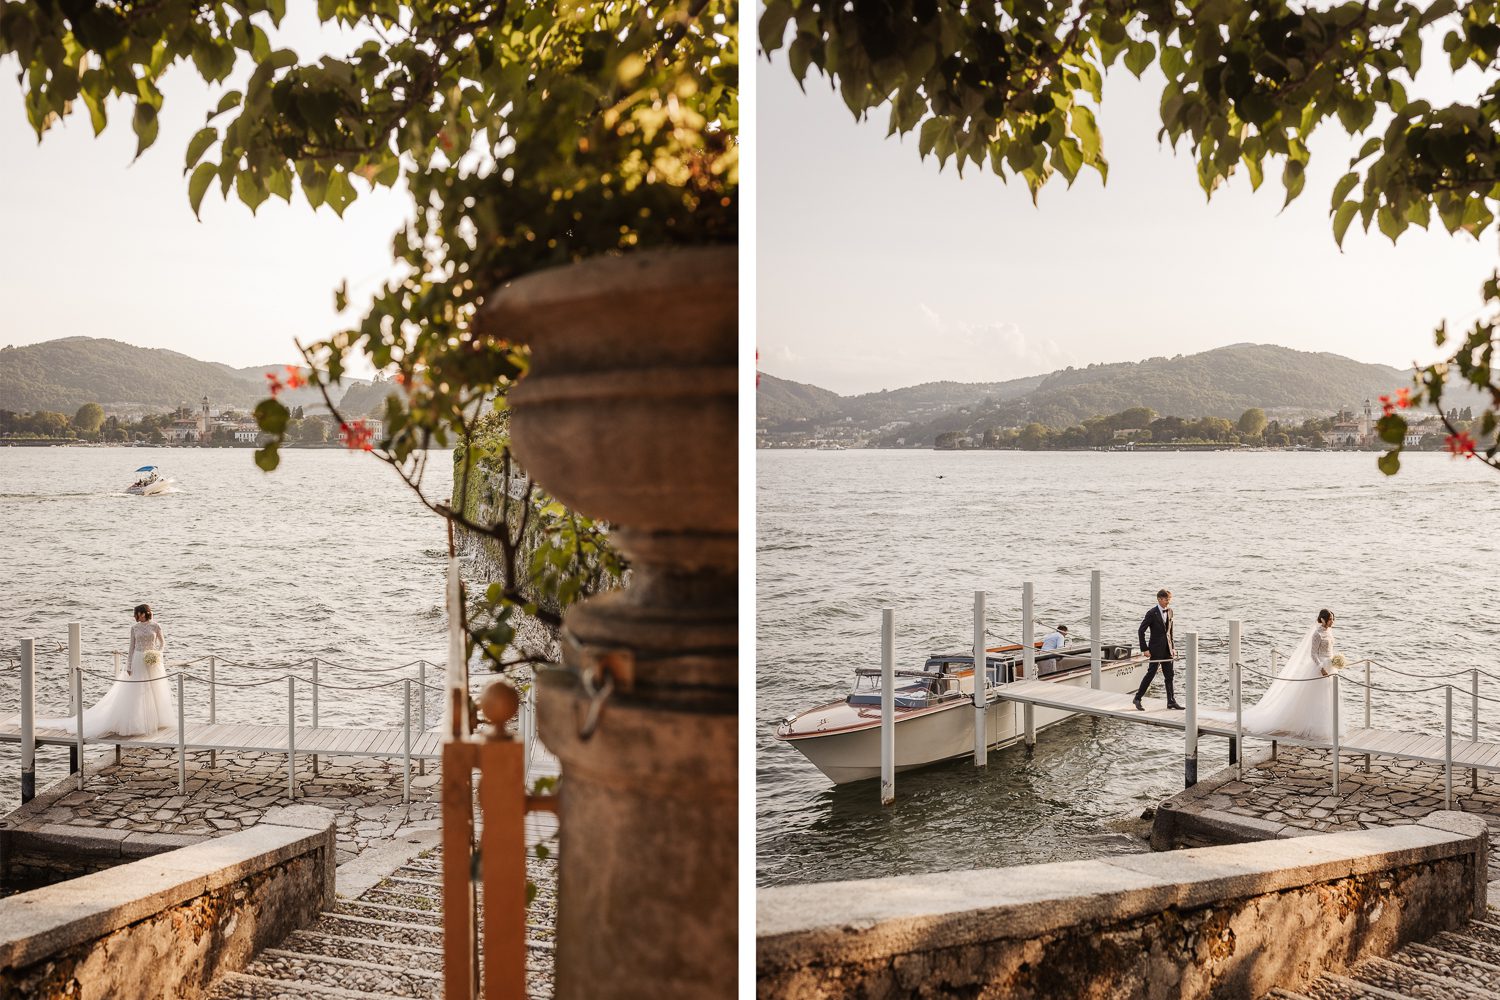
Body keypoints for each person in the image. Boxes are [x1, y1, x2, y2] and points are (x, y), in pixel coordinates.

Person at [37, 604, 175, 737]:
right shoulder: (134, 628)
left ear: (145, 613)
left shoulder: (156, 626)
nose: (137, 616)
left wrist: (157, 653)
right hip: (138, 659)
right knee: (138, 690)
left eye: (139, 613)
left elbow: (162, 643)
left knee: (155, 689)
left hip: (152, 661)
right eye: (136, 614)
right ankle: (138, 722)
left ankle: (157, 720)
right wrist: (128, 665)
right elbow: (131, 648)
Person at [1228, 609, 1339, 740]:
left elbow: (1329, 649)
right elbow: (1313, 654)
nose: (1333, 621)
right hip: (1319, 668)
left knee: (1328, 697)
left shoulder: (1329, 632)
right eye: (1330, 619)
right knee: (1316, 697)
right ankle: (1312, 726)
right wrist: (1321, 667)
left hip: (1330, 667)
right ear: (1323, 620)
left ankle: (1325, 724)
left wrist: (1336, 661)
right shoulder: (1317, 634)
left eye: (1333, 619)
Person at [1133, 588, 1183, 711]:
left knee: (1169, 675)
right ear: (1159, 599)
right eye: (1166, 599)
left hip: (1167, 649)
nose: (1168, 602)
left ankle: (1171, 701)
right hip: (1155, 649)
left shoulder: (1170, 611)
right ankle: (1137, 698)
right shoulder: (1151, 613)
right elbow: (1141, 631)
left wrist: (1173, 648)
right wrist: (1144, 649)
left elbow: (1170, 632)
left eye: (1169, 599)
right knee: (1151, 674)